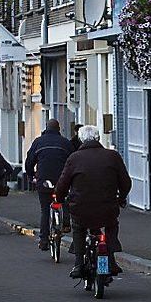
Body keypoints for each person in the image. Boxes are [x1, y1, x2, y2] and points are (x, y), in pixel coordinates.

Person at [54, 125, 132, 279]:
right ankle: (111, 260)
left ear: (81, 139)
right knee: (111, 226)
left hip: (80, 207)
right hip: (107, 207)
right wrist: (121, 198)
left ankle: (78, 264)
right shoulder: (112, 156)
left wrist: (60, 197)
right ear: (98, 138)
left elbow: (63, 183)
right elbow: (126, 182)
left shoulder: (74, 158)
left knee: (79, 229)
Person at [25, 119, 75, 251]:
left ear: (46, 128)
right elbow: (74, 160)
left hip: (44, 180)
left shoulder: (38, 142)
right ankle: (65, 222)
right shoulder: (65, 143)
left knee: (45, 210)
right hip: (61, 180)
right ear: (59, 129)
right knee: (63, 199)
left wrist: (30, 176)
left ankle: (43, 240)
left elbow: (29, 160)